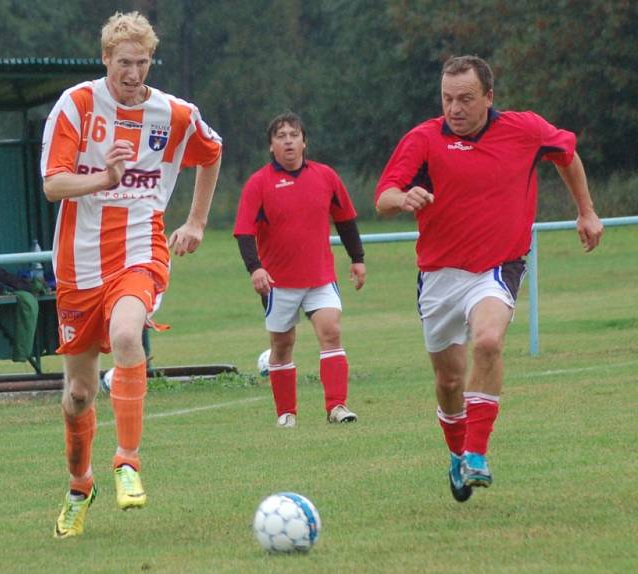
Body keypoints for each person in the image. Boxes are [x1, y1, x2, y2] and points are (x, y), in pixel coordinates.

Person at [375, 55, 603, 502]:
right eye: (446, 99)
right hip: (439, 274)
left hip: (498, 267)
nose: (454, 108)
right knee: (448, 383)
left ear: (489, 97)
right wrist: (403, 198)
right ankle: (459, 455)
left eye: (465, 99)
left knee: (488, 343)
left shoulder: (525, 130)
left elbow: (568, 156)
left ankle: (477, 454)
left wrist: (586, 210)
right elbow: (383, 197)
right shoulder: (423, 138)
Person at [40, 11, 222, 538]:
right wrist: (106, 177)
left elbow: (212, 153)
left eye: (142, 63)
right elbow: (54, 184)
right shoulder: (76, 105)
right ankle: (80, 485)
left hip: (141, 250)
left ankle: (128, 462)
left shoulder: (174, 113)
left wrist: (195, 221)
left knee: (126, 334)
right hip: (78, 262)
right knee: (77, 392)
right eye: (124, 63)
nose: (133, 74)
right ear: (105, 60)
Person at [234, 112, 366, 429]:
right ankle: (286, 413)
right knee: (282, 345)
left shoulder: (326, 176)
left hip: (320, 277)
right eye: (281, 136)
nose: (289, 140)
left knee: (331, 331)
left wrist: (357, 258)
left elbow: (345, 220)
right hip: (279, 283)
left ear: (304, 141)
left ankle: (337, 406)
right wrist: (256, 269)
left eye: (294, 134)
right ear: (271, 146)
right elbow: (244, 231)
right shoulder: (259, 183)